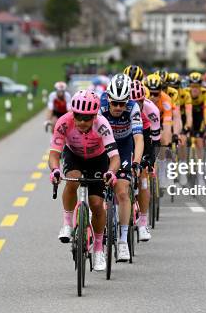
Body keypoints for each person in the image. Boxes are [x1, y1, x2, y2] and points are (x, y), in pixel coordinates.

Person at [48, 90, 120, 272]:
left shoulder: (102, 125)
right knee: (72, 180)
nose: (81, 122)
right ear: (73, 113)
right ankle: (67, 224)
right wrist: (55, 170)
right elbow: (54, 154)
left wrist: (111, 172)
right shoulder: (64, 122)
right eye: (78, 116)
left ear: (94, 116)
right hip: (74, 156)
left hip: (98, 159)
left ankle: (97, 249)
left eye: (87, 118)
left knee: (97, 204)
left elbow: (115, 157)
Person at [100, 74, 146, 253]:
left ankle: (123, 241)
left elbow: (139, 138)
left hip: (124, 146)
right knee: (97, 189)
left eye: (122, 103)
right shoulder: (100, 105)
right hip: (103, 146)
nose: (119, 107)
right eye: (115, 103)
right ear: (108, 98)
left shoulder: (133, 107)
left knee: (122, 191)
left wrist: (136, 162)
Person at [131, 80, 161, 238]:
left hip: (144, 134)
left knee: (143, 176)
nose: (137, 105)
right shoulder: (121, 108)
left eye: (140, 102)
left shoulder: (152, 110)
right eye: (133, 102)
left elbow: (156, 142)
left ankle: (143, 224)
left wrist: (150, 161)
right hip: (123, 136)